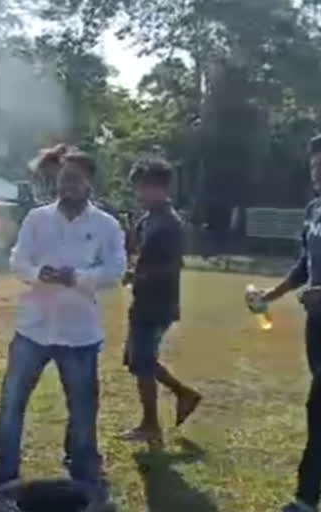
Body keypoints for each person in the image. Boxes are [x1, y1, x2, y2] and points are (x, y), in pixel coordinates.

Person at [0, 149, 126, 512]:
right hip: (33, 329)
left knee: (82, 410)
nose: (67, 184)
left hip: (79, 335)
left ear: (90, 181)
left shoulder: (107, 225)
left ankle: (84, 476)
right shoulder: (37, 218)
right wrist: (37, 272)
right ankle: (4, 473)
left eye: (75, 179)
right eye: (63, 178)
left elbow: (116, 271)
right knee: (12, 404)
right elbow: (18, 259)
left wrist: (78, 277)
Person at [256, 135, 321, 512]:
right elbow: (304, 268)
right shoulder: (313, 210)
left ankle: (305, 498)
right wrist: (270, 295)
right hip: (317, 327)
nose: (317, 175)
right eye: (314, 167)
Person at [118, 157, 201, 448]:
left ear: (161, 188)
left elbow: (171, 265)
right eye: (138, 188)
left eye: (144, 187)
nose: (139, 194)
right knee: (137, 361)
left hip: (158, 303)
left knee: (141, 360)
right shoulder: (148, 219)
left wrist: (138, 275)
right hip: (144, 300)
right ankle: (157, 417)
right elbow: (138, 252)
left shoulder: (169, 223)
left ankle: (166, 411)